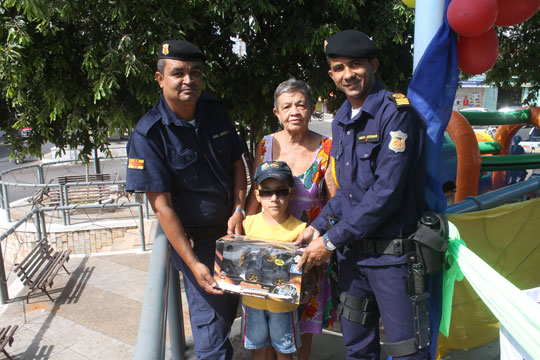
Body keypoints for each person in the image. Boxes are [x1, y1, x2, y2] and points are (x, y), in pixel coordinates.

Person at [296, 30, 428, 359]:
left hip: (391, 261)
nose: (348, 75)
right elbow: (348, 194)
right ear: (331, 74)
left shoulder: (396, 114)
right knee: (356, 346)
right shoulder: (341, 119)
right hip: (353, 260)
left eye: (355, 65)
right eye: (339, 68)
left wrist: (328, 241)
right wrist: (318, 226)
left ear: (374, 65)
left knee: (406, 351)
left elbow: (386, 193)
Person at [125, 39, 247, 359]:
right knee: (212, 340)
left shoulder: (214, 110)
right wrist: (192, 264)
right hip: (200, 247)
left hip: (239, 233)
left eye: (195, 72)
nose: (188, 80)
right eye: (178, 73)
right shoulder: (149, 134)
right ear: (159, 78)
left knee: (266, 317)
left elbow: (238, 163)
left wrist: (238, 208)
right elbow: (162, 205)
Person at [245, 78, 336, 359]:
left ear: (311, 109)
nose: (294, 111)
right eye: (287, 106)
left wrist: (326, 243)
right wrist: (242, 228)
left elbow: (336, 201)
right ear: (277, 112)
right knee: (266, 318)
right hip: (268, 249)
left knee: (305, 320)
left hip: (308, 253)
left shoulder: (327, 148)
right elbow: (255, 193)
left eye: (301, 104)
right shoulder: (266, 145)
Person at [242, 160, 306, 359]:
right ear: (257, 196)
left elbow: (309, 268)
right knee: (258, 349)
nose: (274, 198)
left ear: (291, 193)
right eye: (266, 192)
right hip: (252, 303)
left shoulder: (301, 230)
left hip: (284, 306)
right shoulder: (247, 224)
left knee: (284, 352)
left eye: (281, 191)